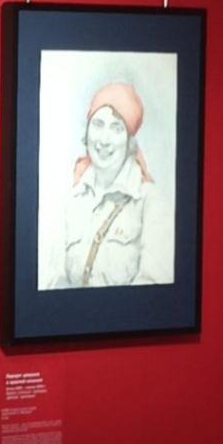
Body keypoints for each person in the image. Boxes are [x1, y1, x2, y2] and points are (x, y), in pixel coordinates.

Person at [55, 80, 160, 288]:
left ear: (129, 141)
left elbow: (155, 288)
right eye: (98, 124)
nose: (104, 139)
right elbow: (52, 281)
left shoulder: (150, 201)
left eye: (116, 128)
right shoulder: (70, 200)